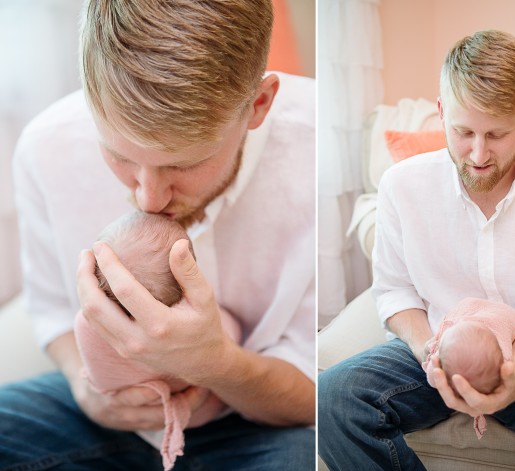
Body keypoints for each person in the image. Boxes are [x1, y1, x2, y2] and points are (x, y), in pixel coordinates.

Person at [1, 1, 315, 470]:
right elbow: (50, 311)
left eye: (182, 163)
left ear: (259, 104)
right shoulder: (45, 148)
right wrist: (87, 391)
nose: (148, 200)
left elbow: (314, 392)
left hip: (260, 426)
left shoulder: (316, 155)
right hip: (106, 422)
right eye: (119, 154)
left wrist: (216, 363)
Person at [318, 29, 515, 470]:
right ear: (442, 111)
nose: (478, 154)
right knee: (330, 399)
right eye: (463, 132)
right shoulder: (401, 186)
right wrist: (434, 357)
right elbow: (395, 293)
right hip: (431, 352)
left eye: (496, 135)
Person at [77, 211, 242, 470]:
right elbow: (234, 334)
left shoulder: (87, 322)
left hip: (114, 396)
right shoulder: (201, 326)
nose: (151, 196)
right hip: (192, 412)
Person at [422, 297, 515, 439]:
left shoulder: (438, 366)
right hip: (502, 315)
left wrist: (430, 351)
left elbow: (432, 375)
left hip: (490, 311)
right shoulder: (504, 356)